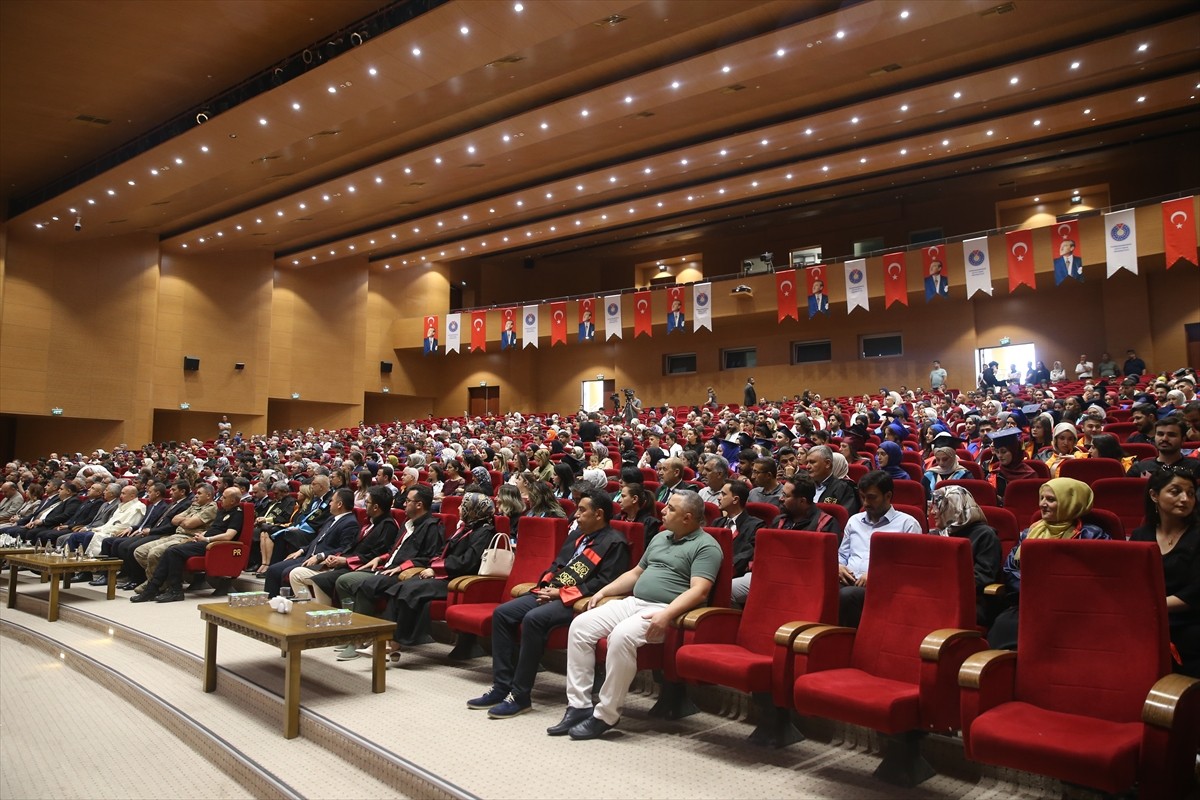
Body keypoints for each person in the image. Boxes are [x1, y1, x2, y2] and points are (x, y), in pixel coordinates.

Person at [550, 490, 721, 740]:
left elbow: (699, 591)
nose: (663, 510)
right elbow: (635, 574)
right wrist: (602, 592)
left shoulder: (706, 546)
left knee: (621, 636)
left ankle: (606, 714)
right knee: (581, 626)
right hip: (634, 602)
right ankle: (578, 706)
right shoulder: (661, 537)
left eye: (670, 509)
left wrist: (666, 615)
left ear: (687, 518)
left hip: (665, 610)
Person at [469, 490, 631, 718]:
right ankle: (501, 687)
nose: (576, 515)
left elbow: (604, 584)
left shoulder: (615, 543)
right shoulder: (577, 536)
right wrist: (546, 586)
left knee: (533, 619)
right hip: (551, 593)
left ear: (599, 514)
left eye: (582, 510)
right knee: (503, 613)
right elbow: (557, 565)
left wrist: (559, 594)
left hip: (576, 602)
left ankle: (520, 695)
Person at [987, 478, 1108, 649]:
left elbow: (1097, 577)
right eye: (1042, 498)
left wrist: (1056, 590)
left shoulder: (1092, 535)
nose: (1043, 504)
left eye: (1050, 499)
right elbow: (1010, 568)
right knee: (1003, 626)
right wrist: (1035, 590)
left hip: (1074, 606)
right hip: (1031, 602)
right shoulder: (1031, 532)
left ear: (1071, 503)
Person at [331, 485, 445, 660]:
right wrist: (382, 558)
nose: (403, 504)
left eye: (408, 501)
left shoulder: (432, 526)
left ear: (419, 504)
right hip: (387, 568)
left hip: (404, 574)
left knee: (365, 584)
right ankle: (357, 634)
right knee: (346, 581)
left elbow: (430, 557)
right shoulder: (408, 524)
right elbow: (395, 550)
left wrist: (401, 567)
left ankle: (361, 638)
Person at [380, 492, 494, 658]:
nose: (459, 508)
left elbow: (467, 562)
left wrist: (436, 569)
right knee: (397, 588)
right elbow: (443, 551)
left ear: (474, 511)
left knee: (409, 591)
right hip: (443, 574)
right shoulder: (465, 528)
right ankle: (385, 639)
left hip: (457, 580)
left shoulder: (484, 532)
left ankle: (396, 641)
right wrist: (433, 564)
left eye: (463, 506)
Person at [1130, 467, 1200, 677]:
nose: (1185, 499)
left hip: (1189, 622)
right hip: (1146, 617)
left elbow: (1196, 593)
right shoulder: (1141, 535)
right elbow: (1130, 582)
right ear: (1154, 495)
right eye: (1175, 491)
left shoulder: (1197, 536)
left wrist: (1152, 605)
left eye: (1190, 493)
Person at [732, 475, 841, 604]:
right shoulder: (780, 520)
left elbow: (824, 563)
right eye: (782, 494)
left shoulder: (825, 523)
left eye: (786, 496)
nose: (781, 499)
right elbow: (763, 550)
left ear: (802, 501)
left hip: (802, 581)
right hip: (770, 575)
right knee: (727, 589)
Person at [837, 471, 923, 627]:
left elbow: (911, 568)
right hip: (847, 580)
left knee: (847, 596)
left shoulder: (907, 524)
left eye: (871, 497)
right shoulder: (854, 521)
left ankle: (849, 642)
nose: (865, 503)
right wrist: (839, 566)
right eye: (862, 497)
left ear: (888, 496)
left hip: (883, 586)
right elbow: (842, 554)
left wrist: (877, 575)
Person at [130, 487, 244, 603]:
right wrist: (200, 536)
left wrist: (206, 539)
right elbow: (213, 529)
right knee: (172, 551)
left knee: (173, 551)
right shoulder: (223, 511)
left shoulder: (237, 513)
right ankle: (155, 588)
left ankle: (170, 590)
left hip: (215, 545)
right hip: (203, 540)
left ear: (233, 501)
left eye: (224, 497)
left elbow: (229, 535)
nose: (220, 499)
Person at [291, 486, 399, 604]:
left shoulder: (388, 526)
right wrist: (336, 556)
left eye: (367, 502)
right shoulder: (369, 521)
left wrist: (346, 561)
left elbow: (377, 555)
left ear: (376, 507)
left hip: (359, 567)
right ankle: (307, 608)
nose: (364, 505)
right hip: (346, 561)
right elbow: (351, 546)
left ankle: (323, 614)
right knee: (296, 574)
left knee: (320, 580)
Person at [262, 488, 358, 597]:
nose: (330, 503)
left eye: (332, 501)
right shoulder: (332, 519)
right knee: (273, 570)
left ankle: (291, 606)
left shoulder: (350, 523)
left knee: (287, 572)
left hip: (322, 563)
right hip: (308, 556)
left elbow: (345, 549)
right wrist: (302, 550)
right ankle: (270, 603)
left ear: (340, 504)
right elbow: (318, 540)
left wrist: (320, 556)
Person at [929, 485, 1001, 625]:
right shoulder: (937, 534)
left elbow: (982, 577)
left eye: (938, 507)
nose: (932, 512)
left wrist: (943, 586)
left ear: (955, 508)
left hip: (971, 600)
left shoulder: (985, 535)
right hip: (937, 596)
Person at [1127, 415, 1200, 478]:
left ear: (1183, 439)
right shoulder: (1139, 468)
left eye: (1171, 435)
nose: (1164, 439)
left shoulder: (1197, 467)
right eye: (1160, 434)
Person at [987, 429, 1038, 503]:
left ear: (1014, 451)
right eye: (997, 452)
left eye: (1004, 451)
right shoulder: (994, 475)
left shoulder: (1030, 475)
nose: (1000, 456)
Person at [807, 445, 860, 515]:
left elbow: (844, 518)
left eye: (812, 462)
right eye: (807, 462)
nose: (807, 466)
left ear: (827, 463)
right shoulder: (804, 485)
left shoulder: (844, 488)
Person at [616, 483, 661, 547]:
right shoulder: (617, 518)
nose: (619, 500)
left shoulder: (650, 524)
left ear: (634, 499)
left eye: (623, 496)